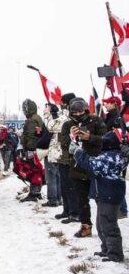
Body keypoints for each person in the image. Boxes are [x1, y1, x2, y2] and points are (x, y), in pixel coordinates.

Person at [71, 130, 127, 262]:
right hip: (105, 194)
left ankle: (115, 254)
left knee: (108, 225)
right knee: (101, 224)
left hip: (109, 195)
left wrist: (77, 151)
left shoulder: (110, 158)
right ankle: (106, 249)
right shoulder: (117, 155)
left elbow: (90, 164)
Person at [61, 97, 106, 237]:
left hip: (95, 164)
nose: (79, 114)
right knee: (81, 199)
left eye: (81, 111)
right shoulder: (67, 125)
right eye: (75, 112)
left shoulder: (96, 121)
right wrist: (72, 137)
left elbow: (106, 140)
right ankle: (85, 226)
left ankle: (104, 226)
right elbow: (63, 145)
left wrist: (90, 137)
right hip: (77, 167)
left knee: (100, 198)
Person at [102, 96, 128, 219]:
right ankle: (120, 208)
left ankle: (122, 209)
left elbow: (119, 135)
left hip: (117, 152)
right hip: (111, 151)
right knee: (114, 181)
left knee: (117, 180)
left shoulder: (118, 117)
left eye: (108, 103)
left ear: (114, 104)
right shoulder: (110, 116)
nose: (106, 105)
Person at [56, 93, 77, 221]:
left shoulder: (70, 118)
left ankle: (74, 212)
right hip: (63, 157)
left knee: (72, 187)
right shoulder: (65, 117)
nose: (61, 105)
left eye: (63, 103)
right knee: (64, 186)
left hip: (72, 158)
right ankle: (67, 210)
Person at [20, 99, 44, 202]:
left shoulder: (32, 120)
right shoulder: (36, 118)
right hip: (35, 149)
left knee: (33, 170)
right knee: (36, 170)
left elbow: (31, 136)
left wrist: (29, 149)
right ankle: (36, 192)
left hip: (32, 149)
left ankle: (34, 193)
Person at [42, 103, 63, 207]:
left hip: (51, 151)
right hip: (58, 151)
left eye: (46, 107)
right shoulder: (60, 119)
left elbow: (48, 132)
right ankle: (59, 198)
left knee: (51, 176)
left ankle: (53, 199)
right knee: (57, 176)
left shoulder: (51, 120)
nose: (44, 109)